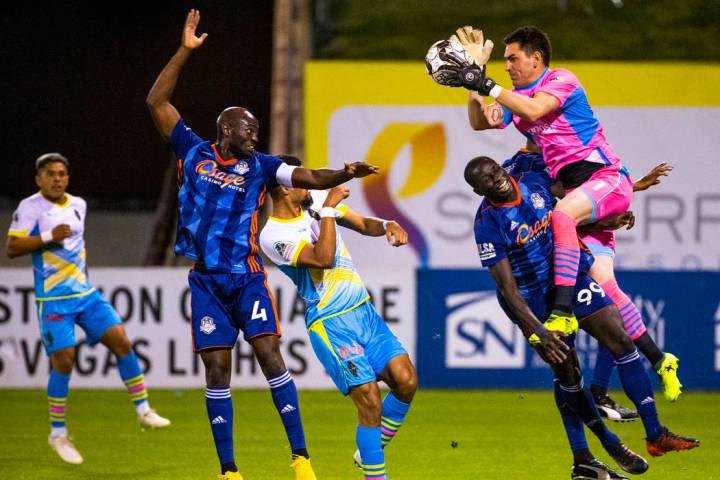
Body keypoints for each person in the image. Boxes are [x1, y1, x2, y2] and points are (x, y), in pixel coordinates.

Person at [146, 10, 378, 480]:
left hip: (248, 276)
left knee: (271, 356)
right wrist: (185, 52)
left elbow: (309, 175)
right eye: (247, 128)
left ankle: (301, 460)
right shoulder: (191, 149)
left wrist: (344, 173)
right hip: (206, 281)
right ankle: (229, 470)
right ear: (225, 130)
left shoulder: (264, 165)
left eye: (255, 129)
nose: (255, 134)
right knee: (217, 372)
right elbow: (156, 101)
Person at [464, 155, 699, 476]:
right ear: (479, 190)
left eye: (497, 171)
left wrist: (608, 215)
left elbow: (574, 209)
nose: (498, 179)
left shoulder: (535, 183)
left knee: (618, 335)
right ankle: (604, 445)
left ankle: (655, 433)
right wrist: (539, 331)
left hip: (567, 277)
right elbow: (508, 289)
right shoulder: (487, 225)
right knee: (569, 376)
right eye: (488, 180)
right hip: (532, 301)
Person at [450, 26, 639, 341]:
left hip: (602, 177)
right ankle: (656, 362)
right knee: (606, 286)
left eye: (513, 59)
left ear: (536, 58)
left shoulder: (561, 80)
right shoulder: (518, 98)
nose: (507, 66)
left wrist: (483, 81)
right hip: (575, 192)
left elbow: (535, 109)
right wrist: (474, 80)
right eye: (504, 61)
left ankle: (562, 312)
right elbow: (481, 120)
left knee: (561, 216)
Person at [6, 153, 170, 465]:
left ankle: (143, 410)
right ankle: (57, 433)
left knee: (121, 339)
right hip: (54, 299)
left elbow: (76, 248)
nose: (57, 179)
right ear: (38, 178)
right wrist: (46, 237)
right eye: (50, 174)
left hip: (86, 294)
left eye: (62, 173)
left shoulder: (78, 205)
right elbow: (12, 247)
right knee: (64, 359)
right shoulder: (30, 208)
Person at [259, 156, 417, 480]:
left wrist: (386, 224)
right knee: (370, 403)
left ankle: (368, 452)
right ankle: (375, 473)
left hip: (363, 311)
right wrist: (328, 209)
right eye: (302, 179)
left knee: (406, 380)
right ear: (286, 189)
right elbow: (323, 259)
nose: (311, 183)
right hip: (331, 323)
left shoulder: (315, 200)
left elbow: (361, 223)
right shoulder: (273, 236)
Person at [503, 149, 681, 420]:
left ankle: (619, 382)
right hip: (568, 241)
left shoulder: (564, 152)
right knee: (609, 307)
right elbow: (558, 205)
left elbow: (585, 197)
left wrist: (628, 194)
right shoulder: (532, 164)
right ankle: (649, 365)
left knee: (610, 308)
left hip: (588, 234)